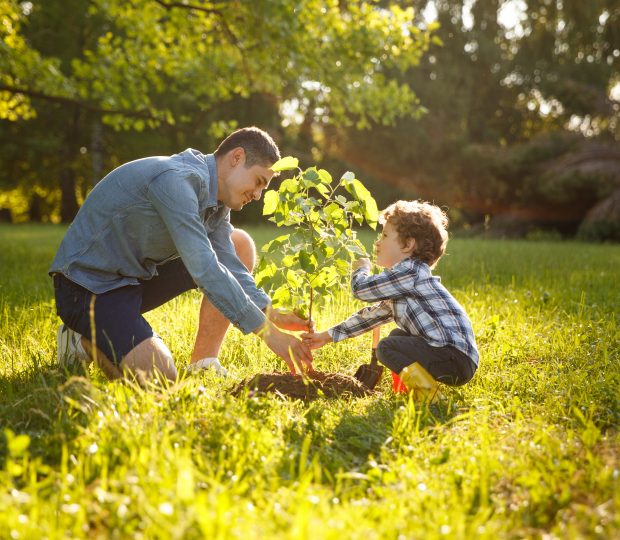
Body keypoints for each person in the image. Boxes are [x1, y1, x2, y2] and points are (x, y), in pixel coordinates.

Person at [50, 126, 313, 382]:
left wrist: (271, 312)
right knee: (160, 378)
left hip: (132, 279)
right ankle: (81, 340)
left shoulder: (218, 202)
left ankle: (203, 363)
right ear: (237, 157)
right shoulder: (176, 181)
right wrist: (269, 334)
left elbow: (229, 264)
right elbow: (205, 269)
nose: (257, 195)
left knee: (238, 244)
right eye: (258, 182)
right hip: (86, 287)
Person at [302, 200, 478, 399]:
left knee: (386, 348)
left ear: (408, 244)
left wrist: (361, 268)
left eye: (385, 235)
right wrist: (326, 336)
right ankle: (408, 391)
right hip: (455, 357)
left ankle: (430, 397)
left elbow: (361, 290)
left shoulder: (410, 271)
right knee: (396, 336)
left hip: (453, 356)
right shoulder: (404, 282)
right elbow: (370, 317)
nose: (378, 242)